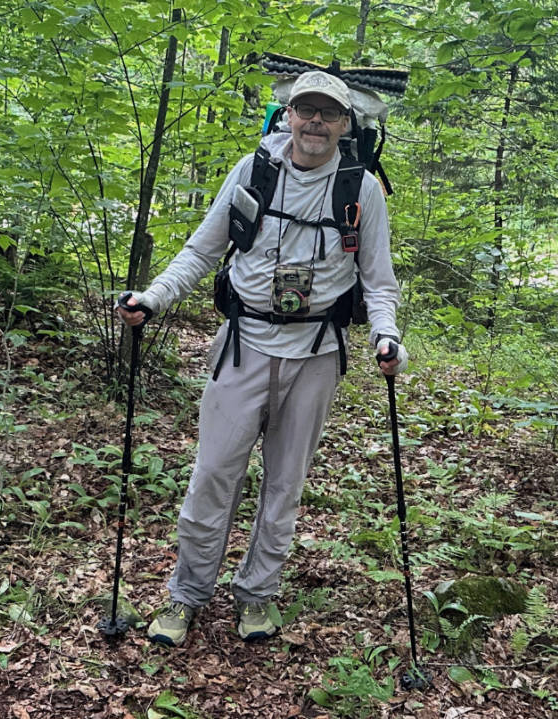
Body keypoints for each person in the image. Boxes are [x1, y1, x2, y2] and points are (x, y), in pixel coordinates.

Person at [116, 70, 408, 646]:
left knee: (284, 485)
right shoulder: (253, 171)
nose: (316, 123)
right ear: (290, 115)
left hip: (317, 354)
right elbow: (201, 250)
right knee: (211, 478)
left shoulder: (361, 188)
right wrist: (152, 297)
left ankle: (256, 596)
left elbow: (379, 281)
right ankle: (186, 596)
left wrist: (386, 334)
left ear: (345, 124)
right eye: (307, 111)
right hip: (243, 346)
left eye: (329, 113)